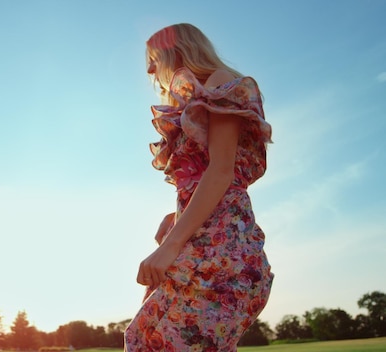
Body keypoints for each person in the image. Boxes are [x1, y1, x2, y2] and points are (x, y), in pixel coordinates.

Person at [124, 24, 274, 351]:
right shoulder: (189, 106)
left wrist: (169, 246)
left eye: (154, 58)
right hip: (197, 250)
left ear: (178, 51)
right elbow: (210, 178)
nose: (150, 69)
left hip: (224, 256)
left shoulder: (219, 82)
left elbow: (222, 172)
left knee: (154, 342)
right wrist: (175, 218)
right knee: (142, 338)